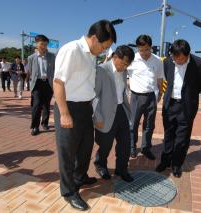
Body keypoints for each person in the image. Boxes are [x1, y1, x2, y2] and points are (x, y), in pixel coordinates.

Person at [53, 20, 116, 211]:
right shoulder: (71, 50)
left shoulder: (91, 55)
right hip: (69, 107)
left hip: (85, 108)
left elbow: (88, 86)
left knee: (85, 148)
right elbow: (58, 82)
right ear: (95, 38)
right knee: (68, 152)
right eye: (104, 47)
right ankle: (69, 191)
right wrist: (64, 113)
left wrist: (94, 111)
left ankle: (80, 178)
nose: (104, 51)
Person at [156, 39, 201, 178]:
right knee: (168, 135)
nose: (177, 61)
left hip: (186, 106)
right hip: (170, 105)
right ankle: (165, 161)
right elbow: (167, 79)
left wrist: (188, 95)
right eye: (175, 57)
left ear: (188, 54)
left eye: (181, 59)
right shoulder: (167, 62)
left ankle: (176, 164)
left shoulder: (199, 64)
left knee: (182, 138)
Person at [93, 45, 135, 182]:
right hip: (104, 113)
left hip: (120, 109)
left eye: (127, 65)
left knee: (125, 143)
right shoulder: (101, 70)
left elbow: (122, 92)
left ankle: (122, 169)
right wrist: (97, 116)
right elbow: (94, 95)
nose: (125, 67)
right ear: (115, 57)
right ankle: (100, 165)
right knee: (105, 144)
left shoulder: (123, 71)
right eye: (124, 63)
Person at [127, 34, 164, 160]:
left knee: (149, 125)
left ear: (151, 47)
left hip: (151, 97)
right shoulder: (132, 59)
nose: (144, 53)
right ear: (137, 48)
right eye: (141, 50)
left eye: (146, 49)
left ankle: (146, 148)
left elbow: (159, 78)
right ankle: (132, 147)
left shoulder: (157, 60)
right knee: (133, 124)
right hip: (136, 96)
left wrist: (160, 93)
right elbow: (125, 75)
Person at [27, 35, 55, 136]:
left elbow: (55, 70)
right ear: (36, 43)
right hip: (37, 83)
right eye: (42, 44)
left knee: (46, 105)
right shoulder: (31, 58)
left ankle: (45, 123)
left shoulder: (52, 56)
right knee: (36, 105)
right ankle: (35, 126)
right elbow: (30, 71)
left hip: (48, 83)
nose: (44, 46)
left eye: (46, 44)